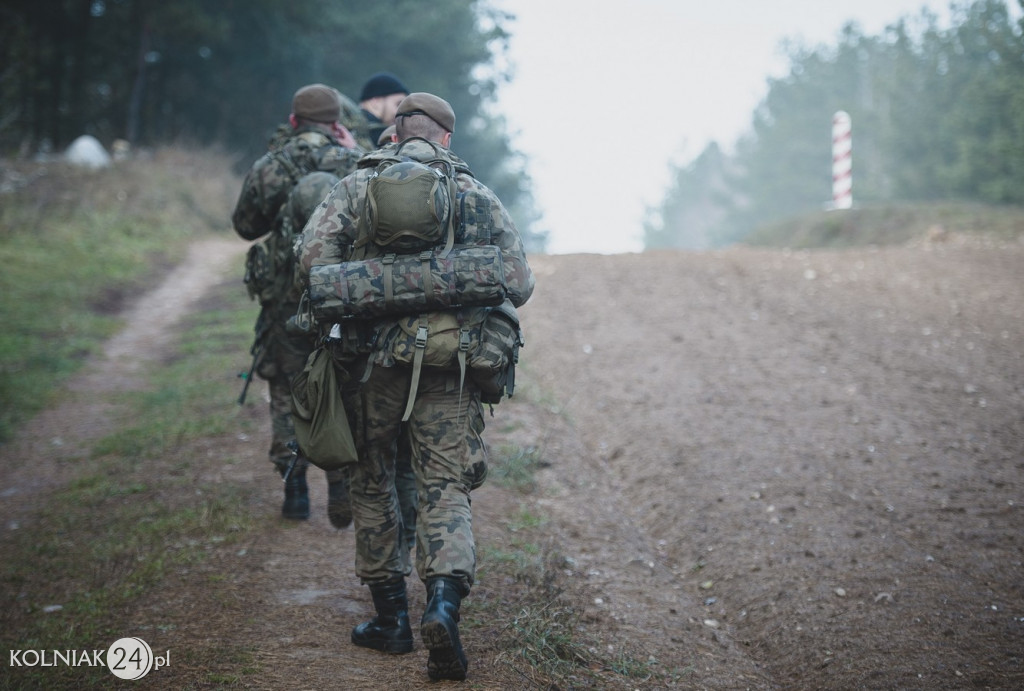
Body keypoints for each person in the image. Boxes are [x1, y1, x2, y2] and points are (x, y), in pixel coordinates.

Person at [295, 92, 535, 681]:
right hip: (450, 365)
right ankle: (445, 606)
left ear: (394, 133)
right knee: (445, 488)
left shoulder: (358, 185)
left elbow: (311, 262)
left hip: (371, 364)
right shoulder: (471, 190)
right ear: (446, 138)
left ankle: (391, 621)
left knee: (373, 480)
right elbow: (519, 281)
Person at [232, 83, 364, 525]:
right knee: (344, 388)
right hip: (341, 299)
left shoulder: (273, 165)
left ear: (293, 121)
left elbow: (246, 227)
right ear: (336, 123)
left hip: (285, 301)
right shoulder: (354, 163)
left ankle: (294, 489)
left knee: (288, 390)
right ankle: (342, 484)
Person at [356, 72, 409, 150]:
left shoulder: (350, 126)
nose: (402, 112)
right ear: (375, 102)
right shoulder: (377, 135)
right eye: (398, 104)